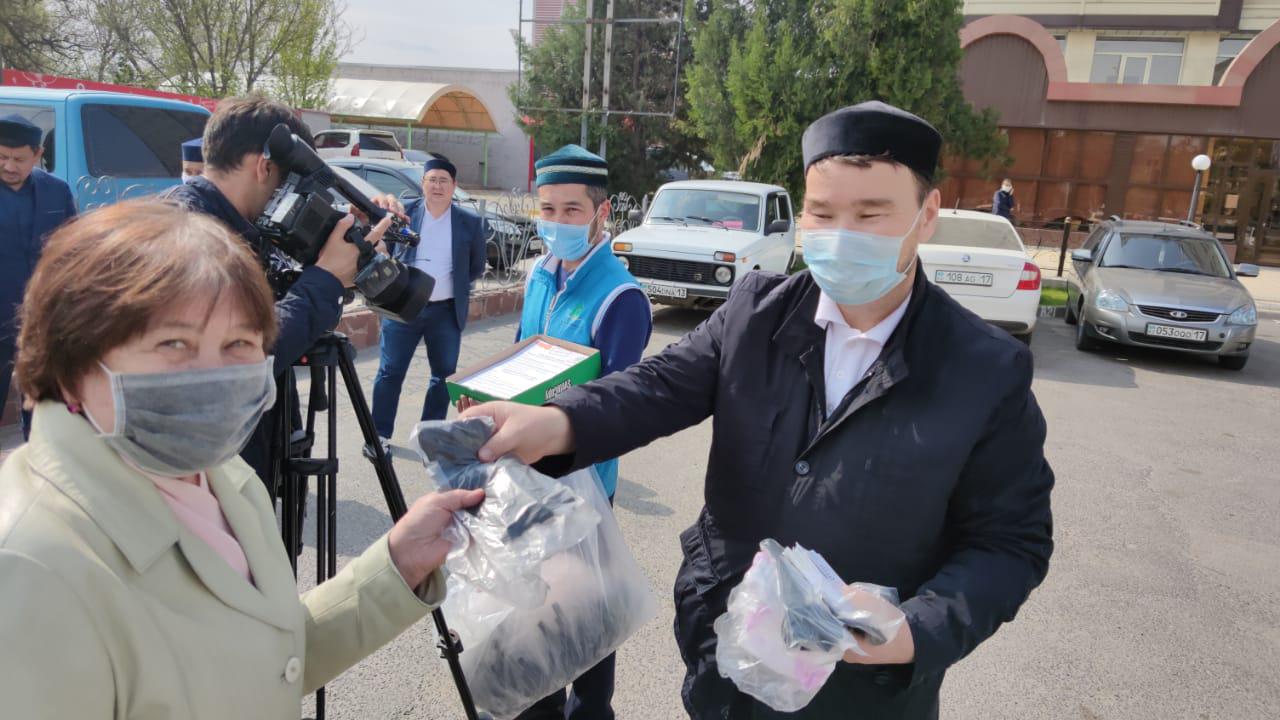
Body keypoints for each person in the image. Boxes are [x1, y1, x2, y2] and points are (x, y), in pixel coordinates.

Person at [463, 102, 1055, 719]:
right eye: (822, 213)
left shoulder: (984, 369)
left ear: (926, 214)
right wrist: (557, 421)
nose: (841, 234)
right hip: (727, 660)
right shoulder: (757, 312)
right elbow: (658, 386)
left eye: (870, 215)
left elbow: (1010, 542)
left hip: (860, 693)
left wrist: (913, 631)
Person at [0, 200, 484, 717]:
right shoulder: (29, 567)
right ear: (73, 363)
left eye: (238, 342)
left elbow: (266, 660)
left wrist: (398, 564)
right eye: (174, 343)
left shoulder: (220, 473)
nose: (213, 374)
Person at [163, 96, 393, 483]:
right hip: (211, 470)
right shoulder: (190, 236)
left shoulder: (237, 225)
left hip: (243, 452)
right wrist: (324, 280)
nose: (292, 195)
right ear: (264, 167)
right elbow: (242, 358)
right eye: (290, 182)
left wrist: (342, 258)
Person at [506, 144, 652, 720]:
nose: (557, 222)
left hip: (582, 481)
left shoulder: (620, 297)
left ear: (601, 212)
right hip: (528, 472)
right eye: (548, 209)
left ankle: (591, 711)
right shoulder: (541, 274)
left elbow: (618, 409)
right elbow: (519, 356)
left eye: (572, 210)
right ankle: (537, 706)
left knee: (586, 610)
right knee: (537, 604)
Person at [370, 156, 487, 450]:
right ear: (422, 184)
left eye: (443, 181)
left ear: (453, 186)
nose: (437, 186)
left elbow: (475, 266)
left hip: (445, 311)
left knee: (443, 376)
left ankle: (428, 436)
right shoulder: (403, 214)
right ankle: (379, 435)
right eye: (431, 180)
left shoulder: (469, 223)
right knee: (390, 371)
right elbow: (384, 249)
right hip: (402, 308)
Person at [0, 113, 77, 443]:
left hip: (41, 317)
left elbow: (72, 249)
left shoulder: (56, 192)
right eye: (2, 156)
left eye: (18, 159)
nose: (8, 166)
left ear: (37, 154)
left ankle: (39, 459)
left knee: (44, 406)